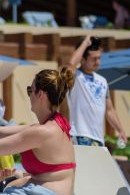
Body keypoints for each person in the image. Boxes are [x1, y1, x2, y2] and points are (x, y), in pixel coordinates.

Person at [0, 67, 76, 195]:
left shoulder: (42, 132)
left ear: (40, 94)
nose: (29, 96)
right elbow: (2, 132)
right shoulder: (55, 125)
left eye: (30, 90)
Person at [67, 35, 127, 147]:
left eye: (99, 58)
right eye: (94, 59)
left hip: (98, 138)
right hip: (80, 135)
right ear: (83, 59)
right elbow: (71, 65)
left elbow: (109, 110)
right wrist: (85, 43)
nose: (98, 62)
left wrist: (121, 130)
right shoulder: (75, 77)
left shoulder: (102, 81)